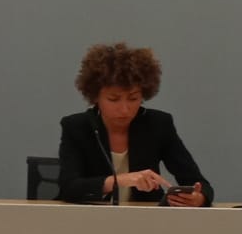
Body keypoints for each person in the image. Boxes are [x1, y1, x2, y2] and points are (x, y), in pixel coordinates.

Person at [57, 43, 211, 206]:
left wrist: (198, 198)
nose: (124, 109)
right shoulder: (77, 126)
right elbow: (69, 188)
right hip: (90, 217)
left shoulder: (158, 124)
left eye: (133, 98)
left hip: (146, 217)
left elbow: (200, 184)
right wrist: (120, 180)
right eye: (113, 99)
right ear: (95, 97)